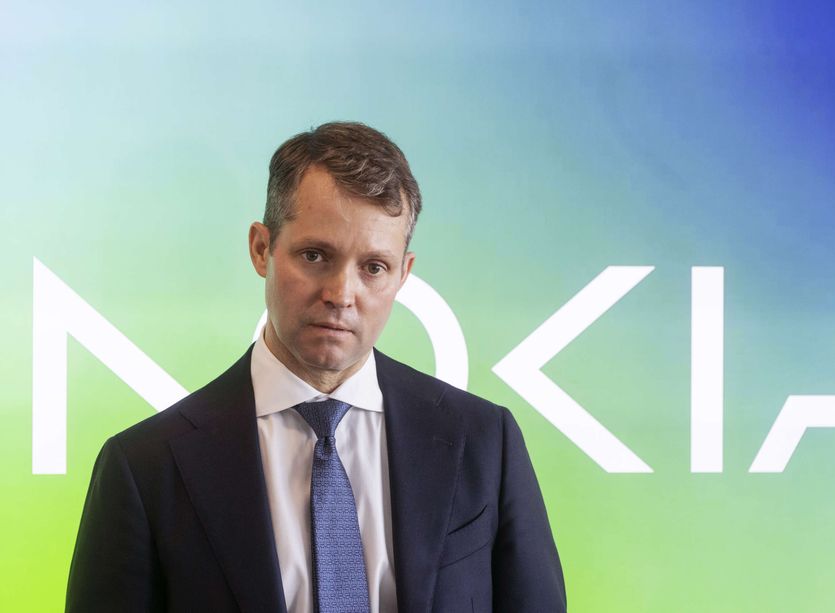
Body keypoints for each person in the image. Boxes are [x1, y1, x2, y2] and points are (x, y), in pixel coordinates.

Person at [65, 122, 565, 612]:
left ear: (403, 274)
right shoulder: (144, 467)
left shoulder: (484, 441)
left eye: (374, 267)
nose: (341, 294)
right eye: (315, 255)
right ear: (261, 249)